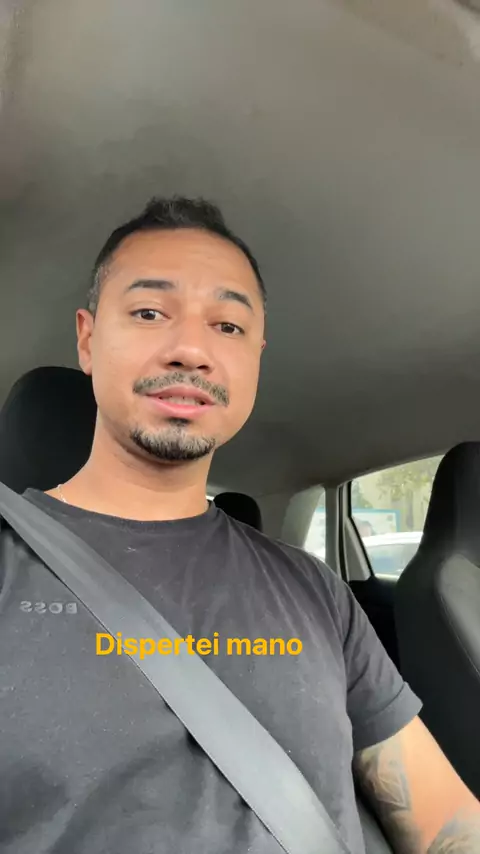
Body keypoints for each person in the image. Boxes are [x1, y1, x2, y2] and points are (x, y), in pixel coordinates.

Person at [0, 197, 478, 854]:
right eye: (149, 312)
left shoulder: (317, 591)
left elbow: (444, 820)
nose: (192, 349)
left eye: (227, 326)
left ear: (256, 356)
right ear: (87, 339)